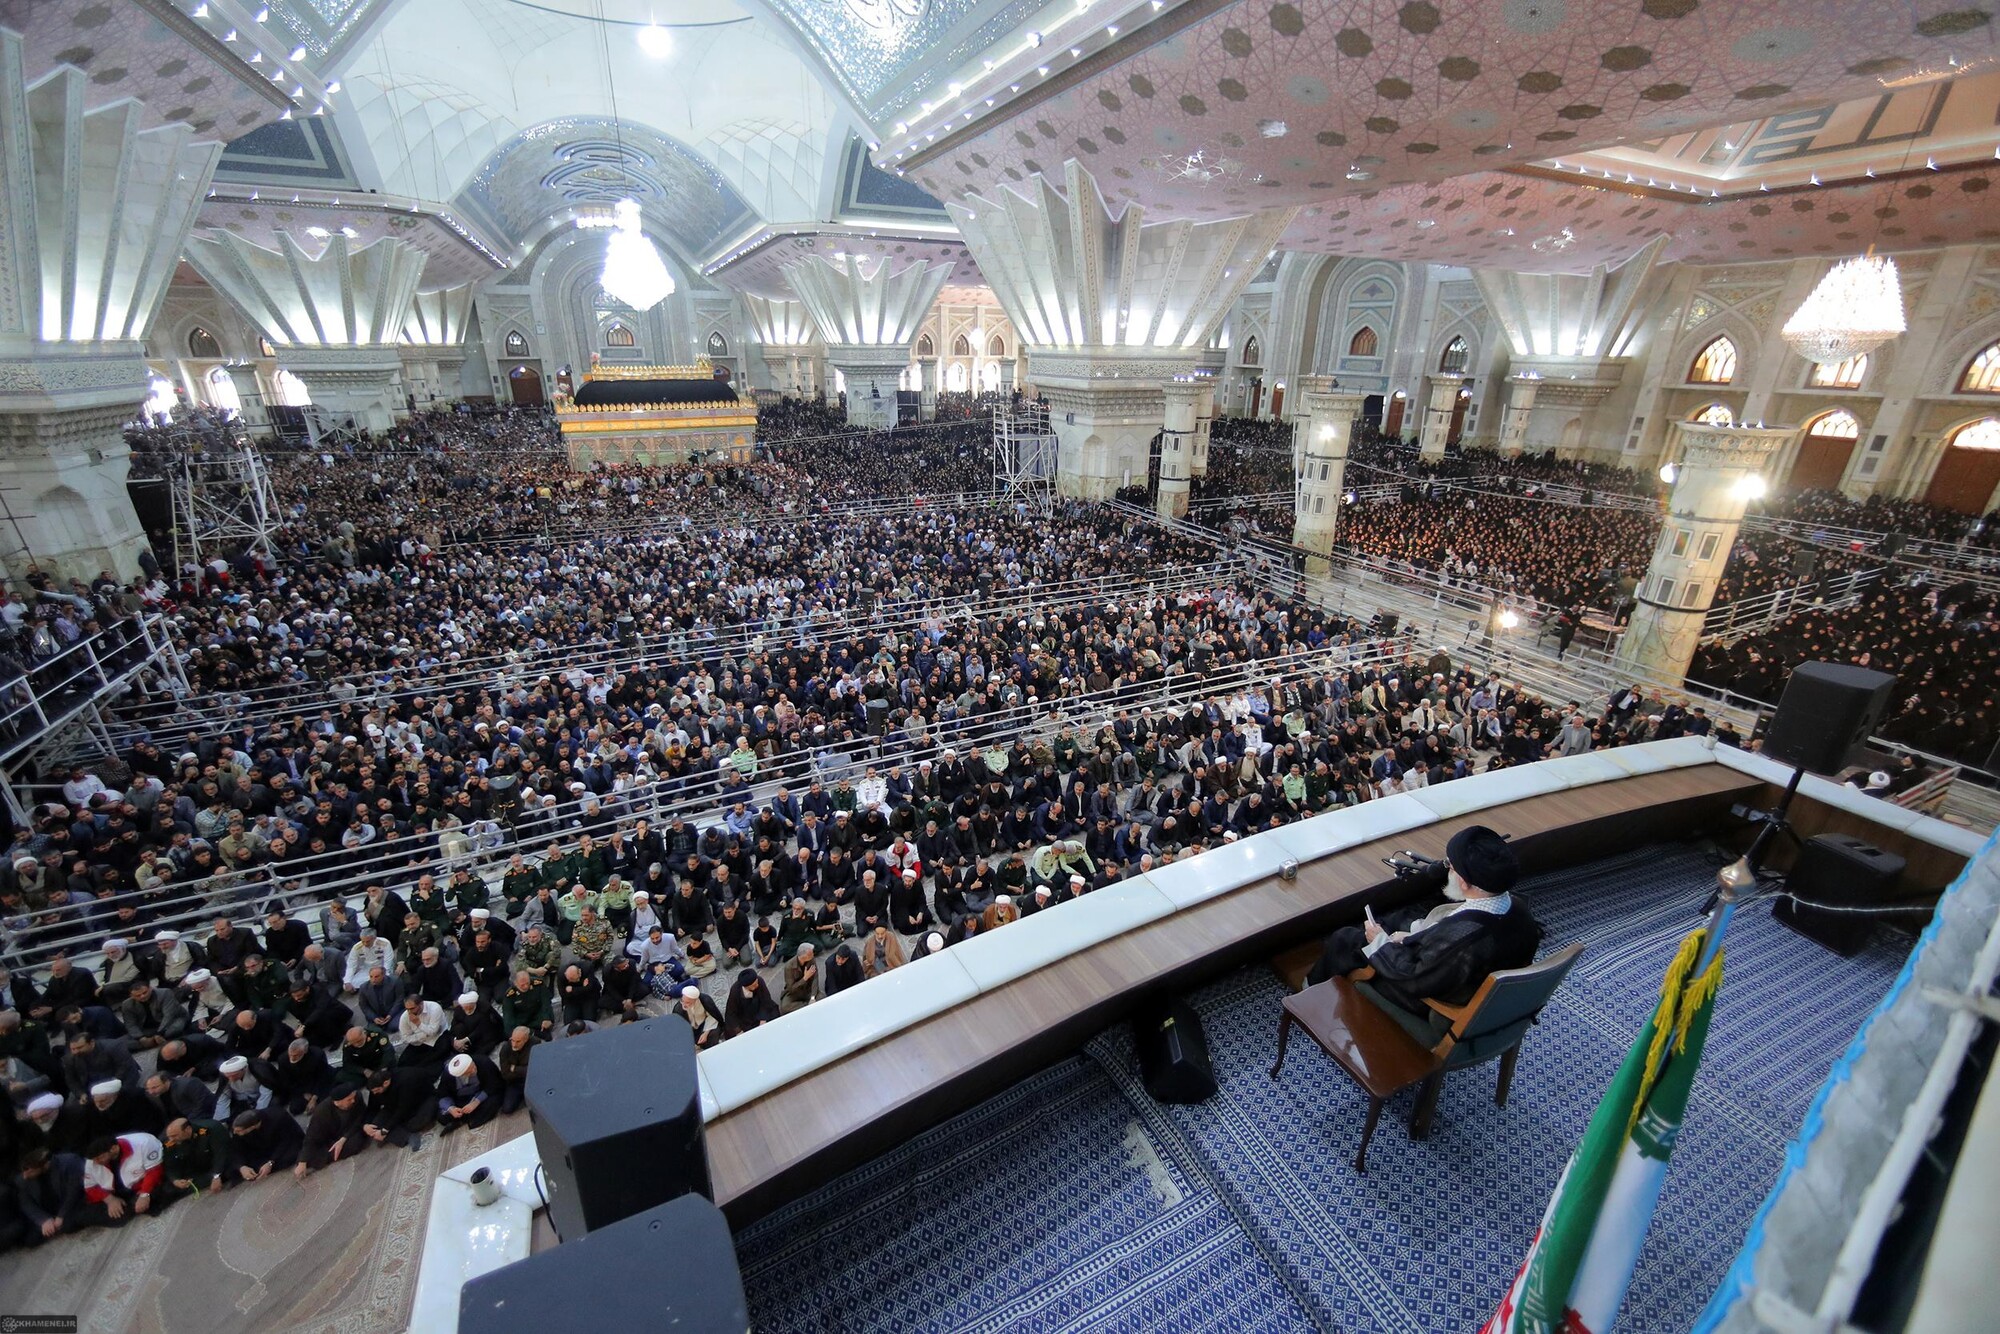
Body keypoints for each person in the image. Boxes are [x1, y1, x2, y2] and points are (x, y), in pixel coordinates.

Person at [1304, 825, 1543, 1039]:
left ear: (1464, 882)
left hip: (1430, 1004)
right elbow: (1444, 953)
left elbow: (1413, 978)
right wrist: (1410, 938)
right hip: (1472, 987)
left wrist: (1380, 942)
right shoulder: (1519, 908)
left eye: (1451, 867)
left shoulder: (1463, 940)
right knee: (1400, 919)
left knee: (1346, 939)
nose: (1447, 869)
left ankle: (1309, 995)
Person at [298, 1082, 371, 1177]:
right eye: (349, 1100)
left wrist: (344, 1138)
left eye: (353, 1098)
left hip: (352, 1130)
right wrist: (303, 1161)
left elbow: (361, 1117)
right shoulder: (322, 1112)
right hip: (331, 1136)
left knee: (355, 1143)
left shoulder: (357, 1097)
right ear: (337, 1102)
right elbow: (311, 1136)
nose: (353, 1101)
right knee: (313, 1152)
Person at [226, 1107, 304, 1181]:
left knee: (289, 1157)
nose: (235, 1132)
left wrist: (271, 1162)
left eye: (239, 1131)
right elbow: (237, 1148)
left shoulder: (278, 1116)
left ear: (252, 1127)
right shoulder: (239, 1128)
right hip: (261, 1149)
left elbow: (287, 1140)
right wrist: (241, 1167)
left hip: (283, 1146)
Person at [435, 1053, 501, 1135]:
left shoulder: (483, 1063)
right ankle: (466, 1117)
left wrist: (476, 1102)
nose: (474, 1070)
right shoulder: (448, 1075)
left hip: (480, 1095)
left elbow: (494, 1084)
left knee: (494, 1101)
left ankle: (462, 1120)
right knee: (441, 1115)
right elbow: (443, 1094)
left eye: (473, 1066)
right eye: (469, 1072)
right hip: (462, 1100)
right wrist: (451, 1109)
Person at [722, 969, 778, 1036]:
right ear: (746, 987)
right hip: (745, 1015)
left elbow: (766, 1000)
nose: (757, 985)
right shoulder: (735, 990)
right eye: (754, 985)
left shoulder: (759, 981)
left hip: (759, 1008)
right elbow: (731, 1012)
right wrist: (739, 1031)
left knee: (774, 1014)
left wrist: (763, 1018)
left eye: (757, 982)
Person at [495, 1027, 538, 1113]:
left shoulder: (535, 1043)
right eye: (512, 1040)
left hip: (532, 1081)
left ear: (526, 1039)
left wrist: (514, 1068)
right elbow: (506, 1074)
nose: (514, 1045)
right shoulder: (506, 1049)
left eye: (518, 1041)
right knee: (507, 1109)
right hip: (514, 1083)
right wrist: (525, 1070)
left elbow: (535, 1069)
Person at [675, 985, 721, 1049]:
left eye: (688, 1002)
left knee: (714, 1033)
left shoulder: (705, 1001)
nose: (684, 1005)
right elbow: (679, 1029)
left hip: (704, 1025)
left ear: (695, 1000)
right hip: (690, 1031)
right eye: (682, 1001)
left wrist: (706, 1033)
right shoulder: (678, 1009)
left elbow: (712, 1015)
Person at [780, 943, 819, 1014]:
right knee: (785, 1007)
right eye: (810, 954)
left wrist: (813, 997)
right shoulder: (789, 966)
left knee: (821, 997)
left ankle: (807, 1004)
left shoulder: (812, 960)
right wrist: (805, 978)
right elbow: (791, 989)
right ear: (804, 956)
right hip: (795, 993)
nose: (813, 955)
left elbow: (815, 978)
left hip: (808, 989)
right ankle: (807, 1006)